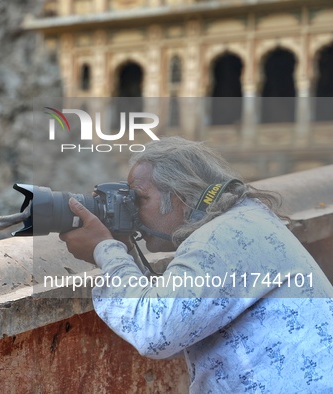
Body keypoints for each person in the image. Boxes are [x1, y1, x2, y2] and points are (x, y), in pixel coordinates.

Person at [60, 137, 333, 393]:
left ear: (181, 196)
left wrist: (104, 249)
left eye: (140, 199)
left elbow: (156, 330)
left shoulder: (218, 240)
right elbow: (186, 317)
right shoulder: (242, 220)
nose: (133, 211)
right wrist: (124, 249)